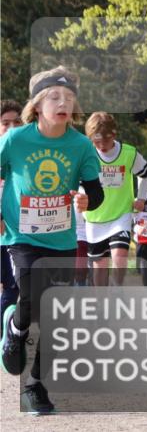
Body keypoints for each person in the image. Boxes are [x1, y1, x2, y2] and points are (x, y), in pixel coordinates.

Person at [0, 67, 104, 414]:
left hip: (61, 240)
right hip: (22, 236)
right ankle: (15, 330)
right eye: (55, 97)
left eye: (69, 98)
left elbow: (96, 192)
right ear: (37, 105)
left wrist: (88, 201)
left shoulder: (81, 145)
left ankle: (36, 386)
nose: (63, 103)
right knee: (32, 299)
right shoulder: (15, 139)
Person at [83, 112, 147, 286]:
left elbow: (145, 174)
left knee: (119, 257)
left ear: (114, 134)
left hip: (121, 215)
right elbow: (79, 182)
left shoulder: (129, 153)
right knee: (100, 267)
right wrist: (81, 197)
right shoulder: (87, 154)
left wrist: (141, 198)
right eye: (96, 141)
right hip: (95, 218)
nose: (101, 146)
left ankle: (116, 289)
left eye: (105, 140)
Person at [0, 100, 23, 318]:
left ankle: (6, 333)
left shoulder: (26, 157)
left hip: (17, 234)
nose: (12, 128)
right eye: (5, 123)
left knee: (12, 288)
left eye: (17, 122)